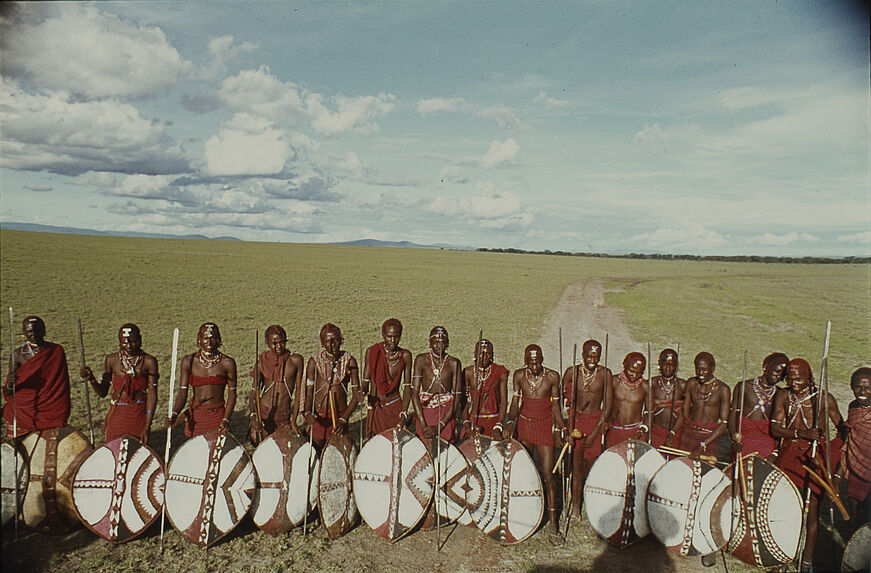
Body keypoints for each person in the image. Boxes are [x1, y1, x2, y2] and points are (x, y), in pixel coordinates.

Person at [771, 358, 844, 572]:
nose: (794, 383)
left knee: (811, 510)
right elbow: (775, 428)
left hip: (815, 457)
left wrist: (830, 451)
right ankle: (782, 556)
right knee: (786, 507)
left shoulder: (824, 398)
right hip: (790, 454)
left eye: (799, 379)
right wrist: (802, 434)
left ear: (809, 376)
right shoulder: (783, 396)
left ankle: (807, 560)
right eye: (791, 379)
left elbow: (842, 430)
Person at [505, 344, 565, 538]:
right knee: (524, 472)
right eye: (531, 363)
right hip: (525, 426)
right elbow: (515, 403)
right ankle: (525, 514)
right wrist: (510, 422)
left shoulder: (552, 377)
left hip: (544, 427)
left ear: (542, 358)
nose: (534, 366)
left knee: (548, 474)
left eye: (538, 362)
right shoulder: (519, 376)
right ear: (525, 361)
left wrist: (561, 426)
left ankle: (553, 523)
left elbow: (555, 405)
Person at [80, 323, 159, 444]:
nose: (129, 346)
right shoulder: (111, 360)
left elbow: (152, 394)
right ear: (119, 342)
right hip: (117, 411)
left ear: (141, 340)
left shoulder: (149, 361)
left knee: (137, 450)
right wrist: (91, 379)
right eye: (124, 343)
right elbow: (102, 392)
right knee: (113, 447)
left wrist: (147, 425)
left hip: (138, 411)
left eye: (133, 341)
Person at [562, 338, 611, 518]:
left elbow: (607, 407)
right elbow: (559, 397)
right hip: (576, 422)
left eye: (597, 356)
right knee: (576, 468)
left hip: (595, 424)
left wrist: (595, 433)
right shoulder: (571, 372)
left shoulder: (605, 374)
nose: (593, 359)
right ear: (582, 355)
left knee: (592, 468)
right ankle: (575, 508)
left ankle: (591, 505)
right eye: (589, 356)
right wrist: (567, 426)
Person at [2, 316, 71, 438]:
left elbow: (62, 385)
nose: (34, 334)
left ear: (44, 331)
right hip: (25, 407)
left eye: (38, 330)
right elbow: (8, 393)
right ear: (24, 333)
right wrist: (10, 384)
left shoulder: (56, 351)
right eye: (30, 331)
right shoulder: (18, 355)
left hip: (51, 406)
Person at [166, 323, 237, 437]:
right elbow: (182, 392)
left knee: (217, 450)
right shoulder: (188, 361)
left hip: (217, 413)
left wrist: (226, 419)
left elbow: (232, 394)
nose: (209, 342)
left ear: (218, 340)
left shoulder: (227, 363)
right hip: (197, 413)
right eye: (205, 338)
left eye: (212, 338)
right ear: (199, 340)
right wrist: (175, 412)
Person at [301, 323, 359, 448]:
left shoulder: (349, 361)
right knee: (315, 455)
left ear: (341, 341)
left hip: (340, 418)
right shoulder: (314, 362)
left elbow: (356, 396)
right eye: (328, 341)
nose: (332, 344)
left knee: (337, 457)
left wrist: (343, 420)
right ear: (322, 343)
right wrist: (308, 412)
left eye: (336, 340)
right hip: (318, 418)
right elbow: (309, 392)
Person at [248, 325, 303, 444]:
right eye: (274, 343)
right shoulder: (262, 361)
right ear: (267, 343)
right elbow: (254, 393)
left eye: (282, 342)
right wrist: (254, 417)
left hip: (284, 414)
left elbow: (299, 392)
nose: (279, 346)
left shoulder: (296, 360)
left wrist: (293, 421)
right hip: (264, 413)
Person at [728, 352, 788, 461]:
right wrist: (734, 438)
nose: (779, 376)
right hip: (743, 442)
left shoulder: (780, 394)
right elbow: (732, 414)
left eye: (782, 375)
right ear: (766, 367)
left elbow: (777, 425)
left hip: (766, 445)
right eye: (777, 371)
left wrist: (775, 452)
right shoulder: (744, 387)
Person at [362, 318, 413, 438]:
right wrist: (362, 392)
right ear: (383, 335)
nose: (392, 341)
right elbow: (365, 381)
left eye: (396, 337)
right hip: (376, 407)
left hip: (394, 406)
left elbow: (407, 388)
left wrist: (404, 413)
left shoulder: (405, 355)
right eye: (389, 336)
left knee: (395, 444)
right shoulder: (373, 352)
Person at [411, 326, 461, 442]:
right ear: (430, 343)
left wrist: (441, 426)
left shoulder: (454, 363)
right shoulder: (421, 360)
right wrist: (423, 425)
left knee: (445, 449)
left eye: (442, 343)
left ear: (447, 344)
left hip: (445, 414)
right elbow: (414, 394)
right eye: (435, 343)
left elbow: (457, 396)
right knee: (424, 449)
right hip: (425, 413)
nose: (439, 346)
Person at [836, 366, 871, 524]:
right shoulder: (853, 407)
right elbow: (851, 440)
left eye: (868, 388)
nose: (862, 392)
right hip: (856, 470)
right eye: (858, 387)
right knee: (857, 519)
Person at [680, 352, 730, 458]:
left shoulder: (723, 389)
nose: (700, 373)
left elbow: (724, 423)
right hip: (688, 433)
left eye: (704, 369)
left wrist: (703, 444)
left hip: (709, 437)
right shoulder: (691, 383)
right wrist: (674, 433)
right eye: (698, 369)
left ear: (713, 368)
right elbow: (684, 412)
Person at [460, 339, 509, 440]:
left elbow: (504, 402)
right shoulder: (468, 372)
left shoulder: (500, 372)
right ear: (475, 354)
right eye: (481, 354)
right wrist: (466, 424)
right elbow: (463, 402)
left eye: (488, 354)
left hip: (494, 420)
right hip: (474, 421)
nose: (484, 357)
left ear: (492, 355)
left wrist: (498, 425)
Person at [604, 352, 649, 447]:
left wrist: (640, 432)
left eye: (639, 373)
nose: (634, 375)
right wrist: (606, 421)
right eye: (631, 371)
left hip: (635, 431)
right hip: (615, 430)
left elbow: (649, 412)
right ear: (624, 365)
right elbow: (604, 404)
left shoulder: (645, 386)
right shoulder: (613, 381)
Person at [649, 348, 685, 448]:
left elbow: (684, 413)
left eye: (672, 364)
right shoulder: (652, 383)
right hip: (655, 432)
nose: (668, 367)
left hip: (675, 433)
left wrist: (672, 433)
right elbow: (647, 411)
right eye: (665, 363)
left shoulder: (682, 385)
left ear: (676, 365)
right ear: (659, 363)